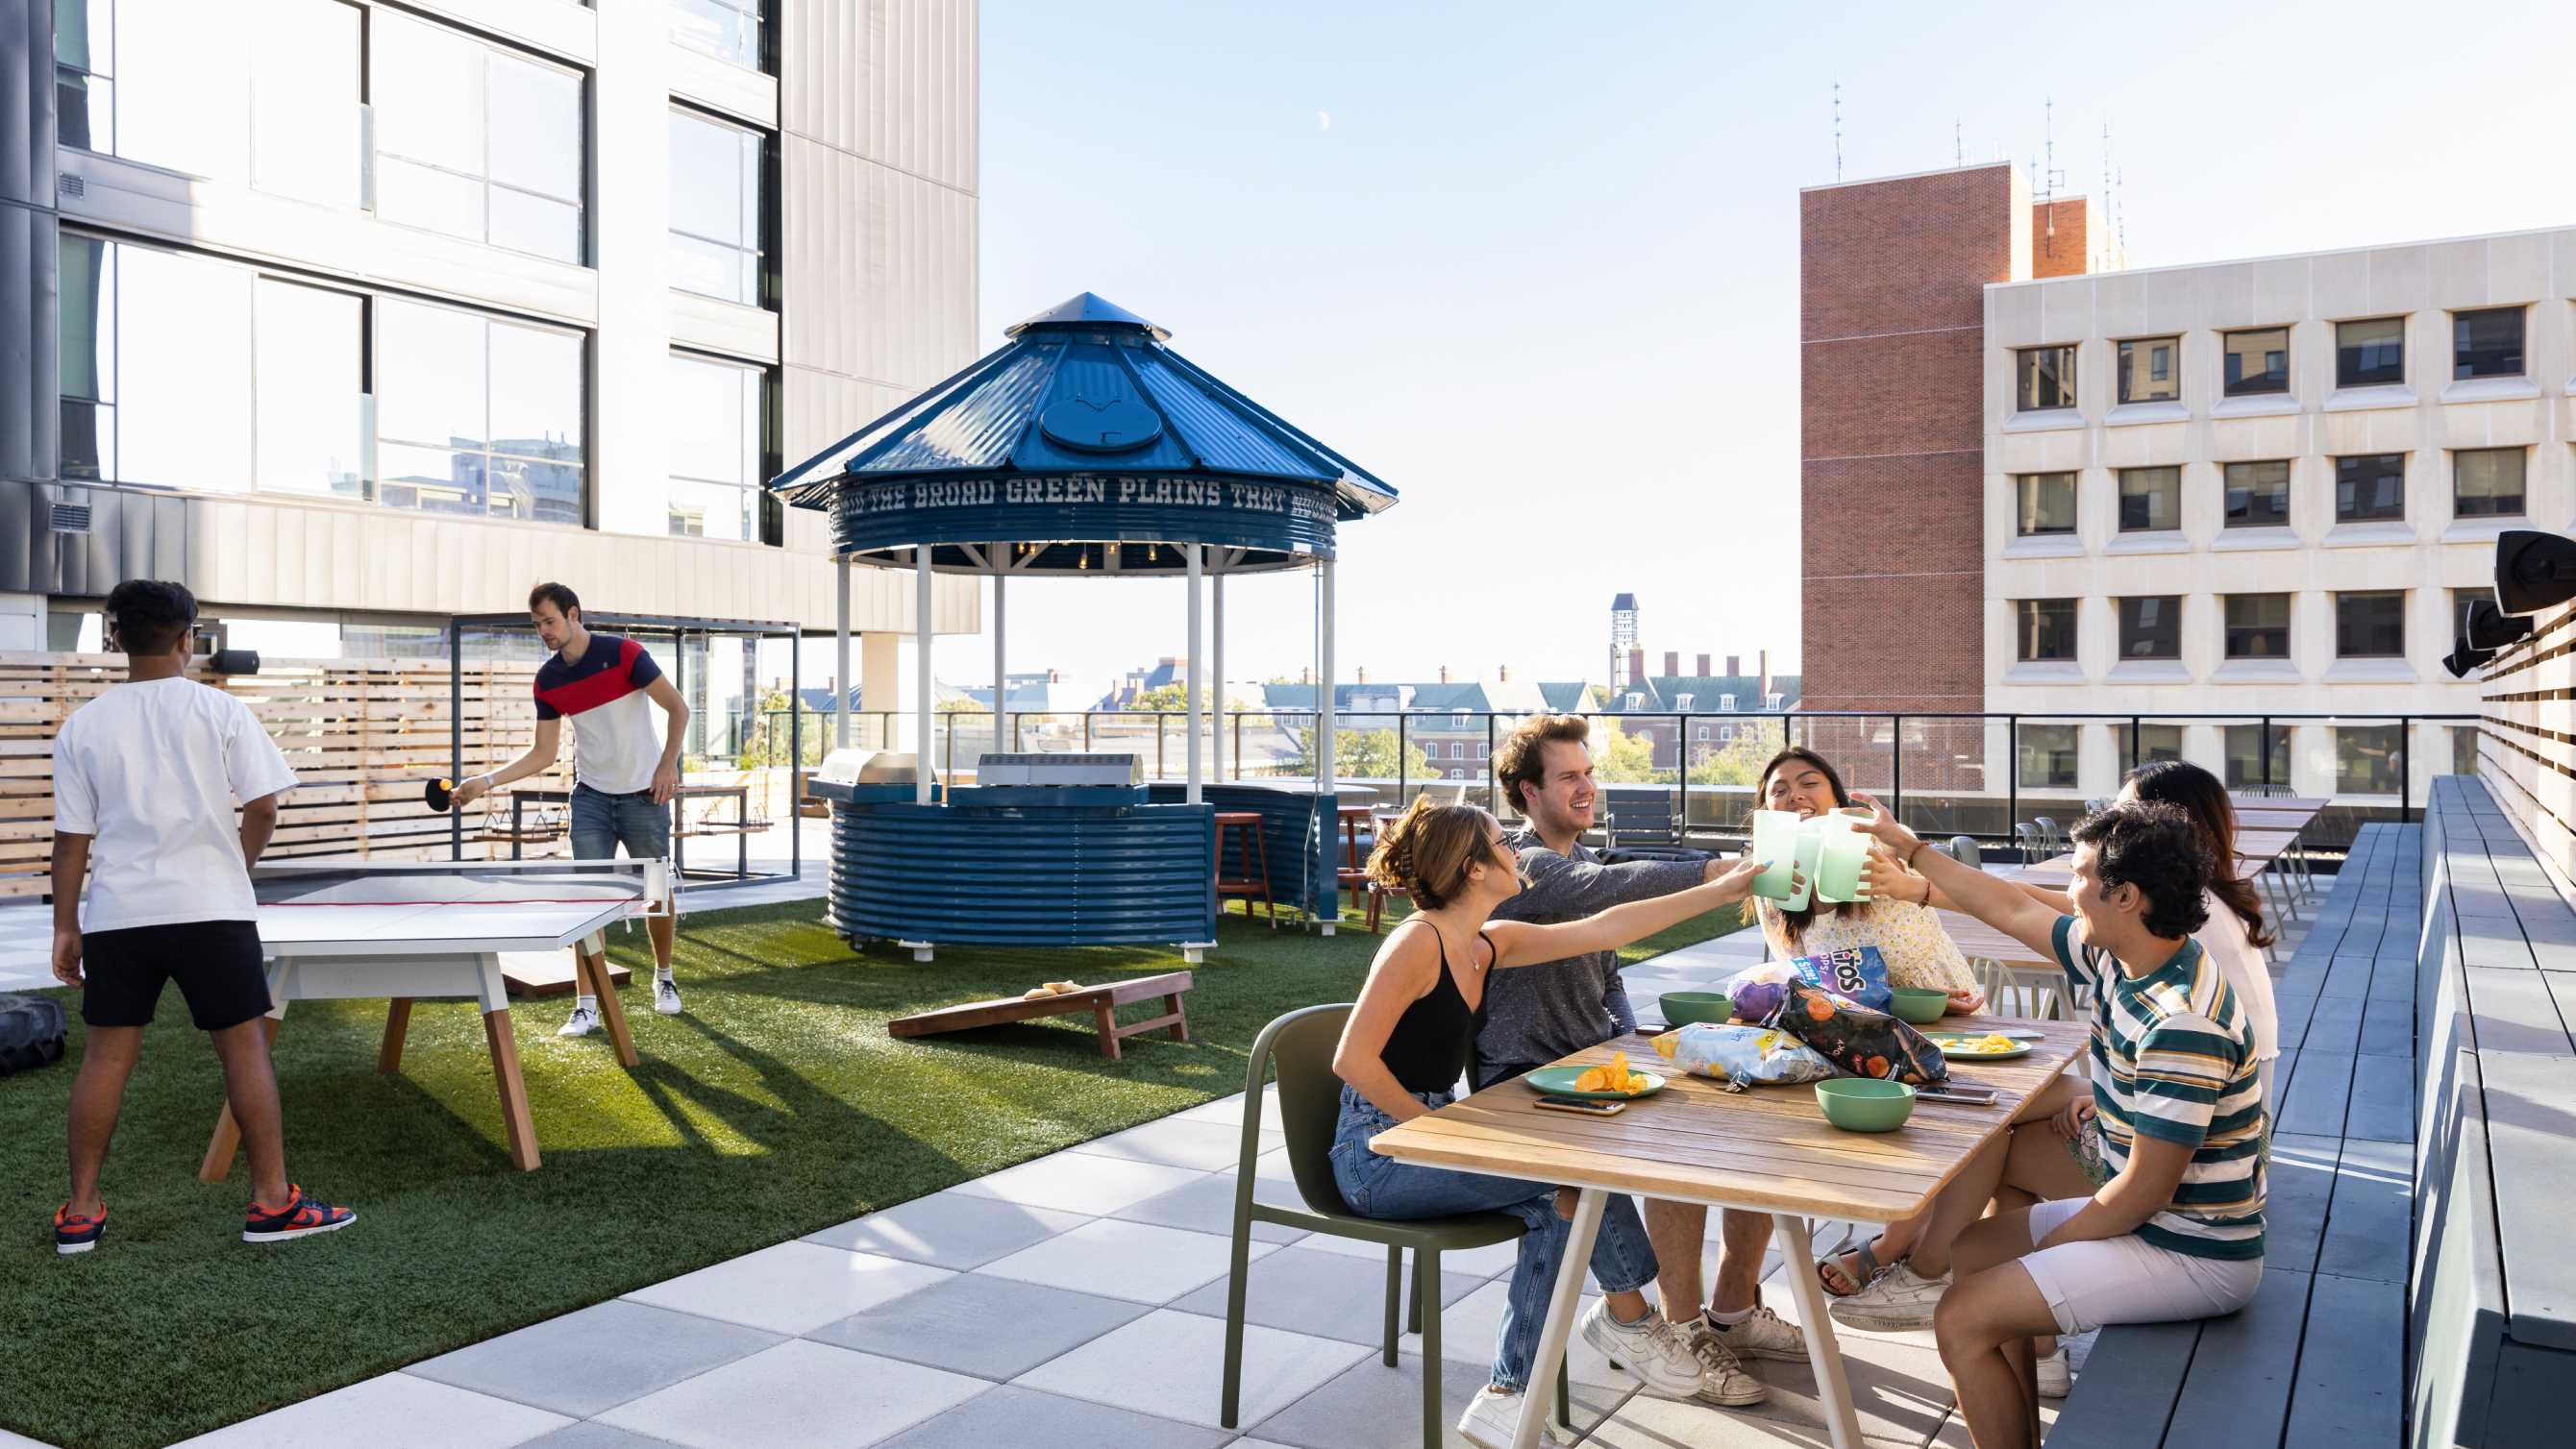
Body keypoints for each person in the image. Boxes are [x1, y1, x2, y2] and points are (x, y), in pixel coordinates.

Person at [1333, 798, 1782, 1448]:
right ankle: (1620, 1329)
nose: (1516, 850)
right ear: (1473, 869)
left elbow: (1606, 928)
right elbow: (1352, 1060)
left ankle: (1515, 1390)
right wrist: (1442, 1132)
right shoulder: (1417, 942)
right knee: (1562, 1182)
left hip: (1420, 1132)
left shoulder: (1487, 944)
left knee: (1563, 1198)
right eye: (1502, 843)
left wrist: (1725, 887)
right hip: (1375, 1153)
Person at [1852, 798, 2266, 1449]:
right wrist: (1910, 847)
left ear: (2125, 896)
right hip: (2156, 1214)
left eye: (2077, 877)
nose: (2064, 892)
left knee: (1961, 1316)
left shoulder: (2179, 1021)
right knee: (1970, 1251)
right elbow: (2010, 907)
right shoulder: (2125, 955)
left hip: (2191, 1250)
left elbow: (2141, 1194)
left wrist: (2052, 1248)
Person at [1478, 715, 1803, 1409]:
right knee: (1643, 1161)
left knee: (1718, 1131)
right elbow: (1617, 893)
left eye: (1588, 772)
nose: (1587, 786)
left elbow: (1608, 976)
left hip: (1587, 1070)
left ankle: (1721, 1313)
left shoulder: (1579, 862)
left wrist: (1632, 1040)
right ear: (1526, 792)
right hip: (1524, 1084)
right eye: (1569, 776)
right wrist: (1722, 874)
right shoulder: (1528, 865)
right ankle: (1653, 1323)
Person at [48, 579, 356, 1253]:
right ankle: (272, 1204)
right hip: (213, 911)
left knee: (105, 1061)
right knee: (243, 1050)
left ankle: (80, 1211)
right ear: (189, 640)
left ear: (116, 639)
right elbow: (265, 808)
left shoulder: (83, 727)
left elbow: (71, 842)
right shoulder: (222, 714)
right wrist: (233, 868)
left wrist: (65, 926)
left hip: (119, 916)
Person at [453, 583, 690, 1037]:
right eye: (537, 624)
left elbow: (678, 709)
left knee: (656, 892)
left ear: (573, 614)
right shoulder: (548, 680)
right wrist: (484, 782)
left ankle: (664, 978)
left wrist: (667, 767)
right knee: (588, 901)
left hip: (645, 794)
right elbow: (542, 753)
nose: (543, 631)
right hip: (592, 797)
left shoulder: (625, 655)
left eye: (550, 621)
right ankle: (586, 1006)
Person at [1752, 748, 1983, 1014]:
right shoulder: (1771, 881)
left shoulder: (1884, 843)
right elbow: (1804, 983)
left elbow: (1974, 899)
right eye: (1779, 791)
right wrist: (1894, 998)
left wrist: (1905, 885)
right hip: (1857, 1021)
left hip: (1943, 1003)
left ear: (1838, 802)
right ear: (1768, 811)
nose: (1795, 795)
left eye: (1810, 783)